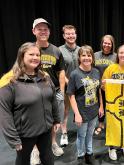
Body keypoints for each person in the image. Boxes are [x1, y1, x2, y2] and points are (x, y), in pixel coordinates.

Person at [0, 42, 61, 165]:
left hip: (45, 129)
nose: (35, 57)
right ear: (22, 56)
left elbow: (52, 99)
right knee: (23, 161)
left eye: (38, 55)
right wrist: (13, 139)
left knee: (48, 157)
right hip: (25, 134)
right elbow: (4, 112)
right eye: (31, 54)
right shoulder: (9, 81)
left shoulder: (45, 76)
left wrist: (56, 119)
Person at [31, 18, 65, 163]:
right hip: (34, 93)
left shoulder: (56, 50)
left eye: (45, 29)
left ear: (49, 32)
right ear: (34, 31)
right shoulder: (29, 49)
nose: (43, 31)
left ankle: (52, 143)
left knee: (53, 121)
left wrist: (62, 92)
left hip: (53, 92)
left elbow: (61, 72)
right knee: (34, 122)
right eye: (40, 29)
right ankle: (35, 150)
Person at [67, 45, 104, 165]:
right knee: (81, 135)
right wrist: (77, 114)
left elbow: (98, 90)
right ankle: (81, 155)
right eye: (83, 55)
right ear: (79, 57)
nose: (86, 58)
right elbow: (71, 95)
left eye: (89, 55)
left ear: (92, 58)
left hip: (94, 111)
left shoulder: (96, 72)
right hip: (81, 112)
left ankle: (89, 153)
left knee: (90, 133)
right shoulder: (75, 74)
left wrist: (101, 106)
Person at [59, 25, 80, 147]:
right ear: (64, 35)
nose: (71, 36)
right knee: (65, 111)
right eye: (68, 34)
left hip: (81, 86)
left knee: (81, 109)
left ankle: (81, 132)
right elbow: (60, 71)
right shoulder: (59, 50)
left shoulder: (81, 49)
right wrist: (70, 83)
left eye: (72, 33)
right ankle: (64, 133)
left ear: (76, 35)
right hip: (67, 86)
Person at [94, 34, 117, 135]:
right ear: (102, 43)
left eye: (109, 43)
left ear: (112, 45)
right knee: (100, 105)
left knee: (112, 107)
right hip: (99, 86)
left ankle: (112, 125)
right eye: (105, 42)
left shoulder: (116, 57)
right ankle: (100, 124)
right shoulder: (95, 55)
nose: (107, 45)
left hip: (112, 87)